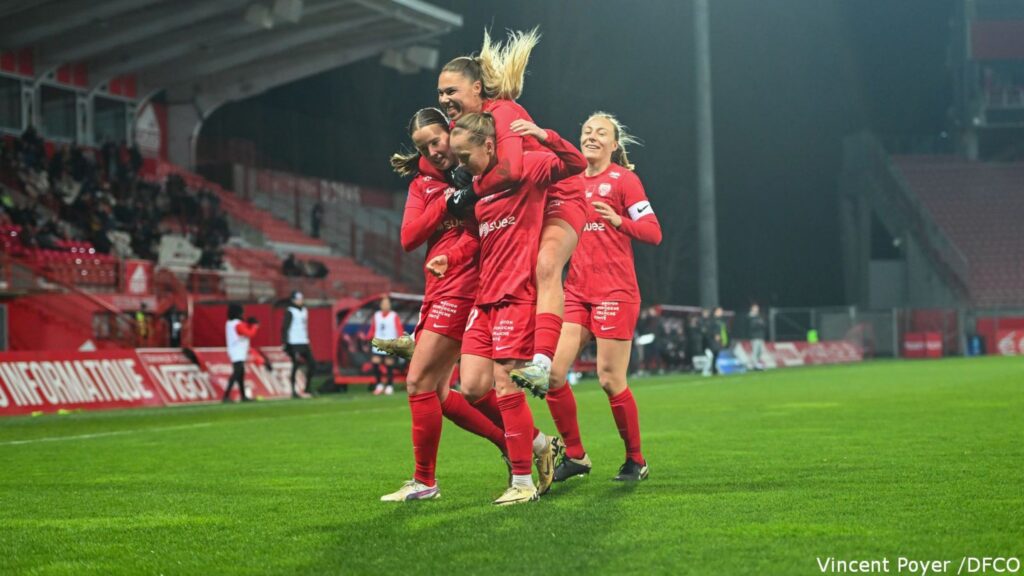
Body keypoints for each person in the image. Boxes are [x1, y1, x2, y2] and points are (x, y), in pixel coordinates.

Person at [425, 111, 585, 505]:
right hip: (485, 297)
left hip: (516, 295)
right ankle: (541, 444)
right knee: (472, 386)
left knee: (505, 384)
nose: (463, 166)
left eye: (466, 156)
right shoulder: (480, 186)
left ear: (489, 145)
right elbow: (476, 238)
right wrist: (451, 257)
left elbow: (575, 164)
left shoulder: (527, 167)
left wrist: (545, 135)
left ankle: (522, 482)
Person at [436, 28, 589, 397]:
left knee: (546, 264)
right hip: (523, 201)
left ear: (477, 88)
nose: (444, 99)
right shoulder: (462, 126)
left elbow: (511, 171)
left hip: (558, 191)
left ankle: (542, 362)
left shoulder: (502, 111)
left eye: (451, 91)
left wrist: (469, 191)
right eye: (440, 93)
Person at [377, 107, 510, 502]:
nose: (433, 151)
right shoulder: (423, 184)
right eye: (424, 147)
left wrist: (452, 253)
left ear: (450, 132)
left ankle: (425, 482)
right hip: (437, 288)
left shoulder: (477, 172)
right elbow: (409, 237)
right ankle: (523, 443)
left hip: (464, 286)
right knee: (439, 391)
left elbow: (479, 234)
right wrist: (446, 203)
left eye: (436, 140)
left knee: (419, 382)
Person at [532, 112, 662, 484]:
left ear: (614, 144)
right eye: (587, 131)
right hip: (576, 292)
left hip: (615, 292)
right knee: (552, 375)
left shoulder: (625, 180)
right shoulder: (569, 180)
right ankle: (576, 456)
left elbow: (654, 232)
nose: (591, 136)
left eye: (600, 132)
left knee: (609, 379)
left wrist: (620, 222)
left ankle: (635, 460)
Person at [282, 291, 316, 398]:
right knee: (296, 365)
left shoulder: (304, 310)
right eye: (298, 299)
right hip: (294, 342)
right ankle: (293, 390)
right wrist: (285, 343)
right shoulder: (290, 311)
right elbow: (285, 327)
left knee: (312, 364)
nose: (300, 301)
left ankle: (307, 387)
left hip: (304, 341)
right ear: (293, 300)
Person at [367, 296, 403, 395]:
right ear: (380, 305)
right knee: (375, 362)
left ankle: (389, 386)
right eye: (384, 303)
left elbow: (399, 329)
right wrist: (369, 336)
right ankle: (379, 385)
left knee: (389, 363)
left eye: (387, 303)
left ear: (390, 305)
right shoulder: (376, 315)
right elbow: (373, 328)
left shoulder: (394, 316)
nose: (385, 305)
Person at [224, 303, 259, 402]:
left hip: (236, 350)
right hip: (237, 351)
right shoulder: (237, 324)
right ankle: (226, 396)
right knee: (237, 373)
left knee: (240, 374)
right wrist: (254, 326)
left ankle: (243, 396)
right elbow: (249, 333)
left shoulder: (230, 323)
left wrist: (248, 324)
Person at [748, 303, 767, 370]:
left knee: (760, 351)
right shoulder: (750, 317)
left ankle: (756, 364)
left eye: (757, 308)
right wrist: (759, 324)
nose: (756, 309)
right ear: (752, 309)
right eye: (755, 308)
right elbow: (751, 326)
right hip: (754, 337)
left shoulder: (759, 316)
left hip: (760, 336)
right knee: (755, 351)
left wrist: (761, 323)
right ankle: (754, 365)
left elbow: (764, 325)